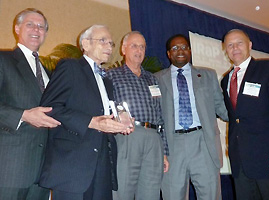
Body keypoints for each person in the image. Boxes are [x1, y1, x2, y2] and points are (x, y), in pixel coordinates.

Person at [38, 25, 132, 200]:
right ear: (85, 44)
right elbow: (50, 107)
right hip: (72, 164)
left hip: (102, 162)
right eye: (102, 40)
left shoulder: (107, 81)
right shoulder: (70, 67)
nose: (109, 47)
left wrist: (119, 124)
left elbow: (102, 117)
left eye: (111, 43)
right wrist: (92, 122)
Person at [221, 29, 269, 200]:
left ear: (250, 45)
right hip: (241, 165)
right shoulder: (226, 80)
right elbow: (236, 118)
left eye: (239, 43)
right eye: (230, 45)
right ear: (226, 50)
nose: (235, 48)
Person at [155, 34, 228, 200]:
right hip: (172, 146)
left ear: (189, 50)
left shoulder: (208, 75)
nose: (180, 51)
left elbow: (222, 107)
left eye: (184, 47)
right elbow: (154, 114)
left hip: (204, 142)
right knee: (173, 195)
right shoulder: (157, 78)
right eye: (175, 48)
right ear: (168, 53)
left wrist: (244, 116)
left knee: (210, 195)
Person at [0, 8, 61, 200]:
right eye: (30, 24)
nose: (36, 29)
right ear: (17, 28)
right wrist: (24, 115)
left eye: (41, 26)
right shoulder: (3, 60)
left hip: (42, 172)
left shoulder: (50, 73)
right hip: (10, 169)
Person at [106, 31, 169, 200]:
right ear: (123, 49)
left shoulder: (152, 79)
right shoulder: (111, 75)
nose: (139, 50)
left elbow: (159, 114)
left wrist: (164, 151)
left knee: (151, 193)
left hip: (154, 139)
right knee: (122, 191)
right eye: (134, 45)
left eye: (142, 47)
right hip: (128, 136)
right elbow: (105, 108)